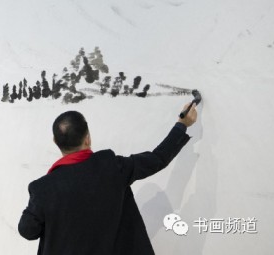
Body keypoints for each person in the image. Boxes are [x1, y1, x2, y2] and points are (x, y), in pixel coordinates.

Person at [18, 103, 198, 255]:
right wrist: (182, 124)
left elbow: (27, 230)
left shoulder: (43, 189)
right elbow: (157, 159)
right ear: (87, 139)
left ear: (55, 142)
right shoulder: (111, 167)